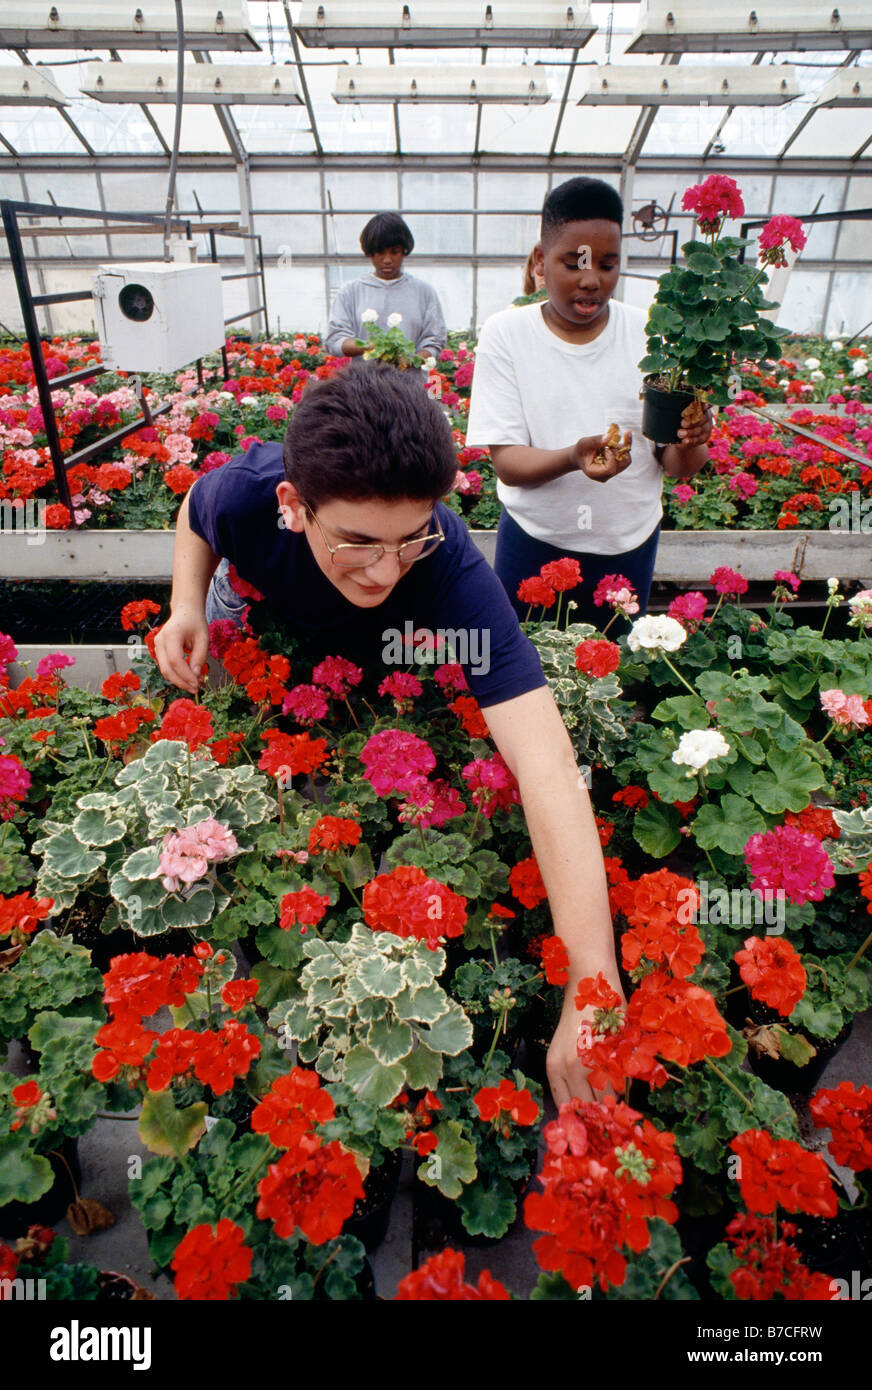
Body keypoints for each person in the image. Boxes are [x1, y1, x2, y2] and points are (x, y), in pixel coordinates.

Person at [155, 362, 623, 1107]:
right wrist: (184, 606)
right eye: (360, 541)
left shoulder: (445, 564)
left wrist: (595, 979)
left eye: (409, 539)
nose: (383, 570)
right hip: (258, 600)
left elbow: (548, 767)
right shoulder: (247, 494)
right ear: (294, 504)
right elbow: (193, 507)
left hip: (372, 647)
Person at [466, 176, 713, 627]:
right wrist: (573, 457)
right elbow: (507, 464)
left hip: (629, 543)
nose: (591, 280)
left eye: (607, 264)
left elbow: (677, 465)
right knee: (525, 675)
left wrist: (693, 437)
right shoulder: (507, 334)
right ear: (541, 260)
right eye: (574, 262)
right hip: (534, 541)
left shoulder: (653, 334)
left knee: (610, 677)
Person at [324, 211, 446, 360]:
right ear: (369, 252)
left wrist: (412, 360)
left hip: (409, 382)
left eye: (394, 252)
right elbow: (335, 339)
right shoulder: (351, 291)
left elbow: (435, 340)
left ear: (404, 251)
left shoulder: (424, 292)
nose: (387, 260)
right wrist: (369, 346)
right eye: (380, 252)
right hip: (364, 381)